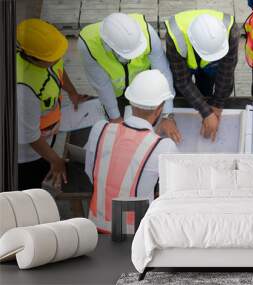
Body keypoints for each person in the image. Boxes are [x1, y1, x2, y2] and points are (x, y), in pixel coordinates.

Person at [85, 70, 179, 232]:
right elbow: (173, 193)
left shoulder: (100, 129)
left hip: (95, 227)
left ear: (131, 101)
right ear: (159, 109)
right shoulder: (164, 146)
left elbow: (90, 173)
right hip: (135, 235)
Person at [78, 12, 181, 143]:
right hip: (116, 93)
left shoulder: (147, 33)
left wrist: (167, 115)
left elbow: (163, 73)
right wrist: (115, 117)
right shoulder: (88, 45)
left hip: (144, 88)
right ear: (108, 46)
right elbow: (102, 85)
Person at [17, 19, 86, 190]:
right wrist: (55, 160)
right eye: (54, 58)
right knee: (30, 187)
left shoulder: (50, 58)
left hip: (46, 135)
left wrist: (72, 93)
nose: (59, 59)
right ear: (34, 58)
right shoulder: (22, 90)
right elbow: (30, 137)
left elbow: (59, 72)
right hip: (28, 154)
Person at [165, 9, 239, 141]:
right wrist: (206, 112)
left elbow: (227, 71)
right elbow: (182, 81)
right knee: (182, 97)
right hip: (185, 62)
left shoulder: (230, 31)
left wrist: (216, 106)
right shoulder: (175, 37)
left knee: (206, 89)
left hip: (210, 67)